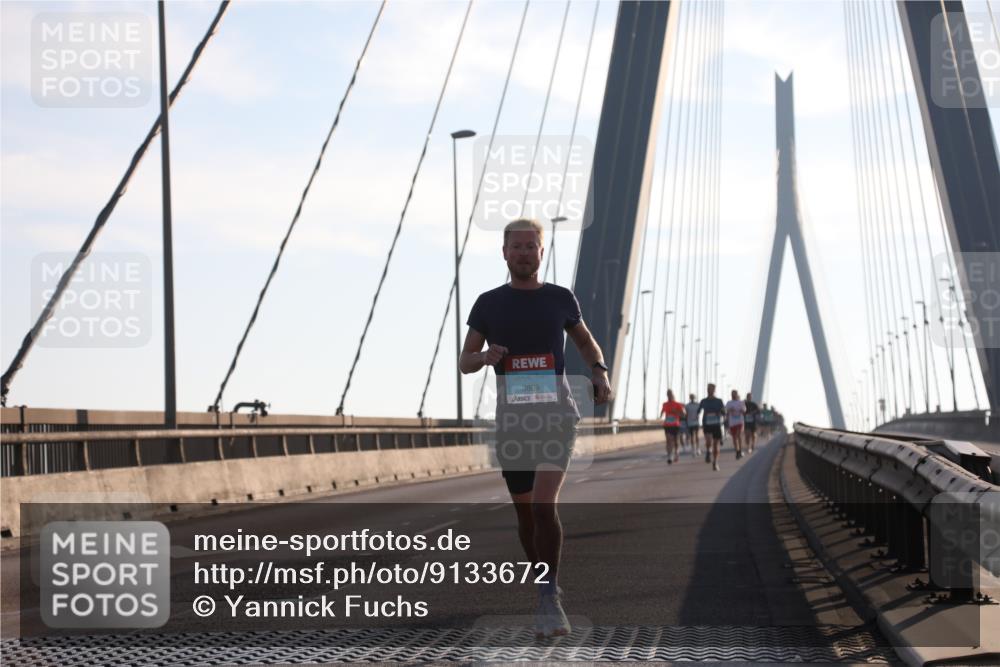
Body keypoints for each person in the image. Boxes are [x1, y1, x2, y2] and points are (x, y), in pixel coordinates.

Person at [461, 218, 612, 639]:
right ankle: (544, 582)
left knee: (545, 506)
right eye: (518, 247)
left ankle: (550, 597)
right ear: (504, 253)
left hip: (557, 417)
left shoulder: (560, 299)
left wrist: (599, 370)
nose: (525, 253)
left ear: (542, 253)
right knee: (525, 516)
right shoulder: (488, 304)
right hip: (514, 422)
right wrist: (486, 356)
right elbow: (464, 361)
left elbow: (585, 342)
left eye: (532, 247)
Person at [699, 384, 725, 471]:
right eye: (708, 389)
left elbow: (723, 411)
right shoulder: (703, 401)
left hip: (716, 424)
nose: (709, 390)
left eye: (711, 389)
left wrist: (721, 413)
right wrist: (695, 415)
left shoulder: (719, 401)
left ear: (714, 390)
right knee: (709, 441)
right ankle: (708, 451)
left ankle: (715, 462)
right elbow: (699, 410)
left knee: (716, 445)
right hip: (707, 423)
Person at [659, 389, 685, 464]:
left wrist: (676, 412)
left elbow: (683, 415)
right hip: (667, 424)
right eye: (668, 394)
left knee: (676, 442)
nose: (669, 395)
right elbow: (662, 412)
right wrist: (660, 416)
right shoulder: (665, 404)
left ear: (673, 394)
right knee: (668, 440)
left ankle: (676, 453)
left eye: (670, 394)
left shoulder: (677, 404)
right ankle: (669, 456)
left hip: (675, 424)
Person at [725, 389, 746, 459]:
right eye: (732, 394)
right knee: (734, 437)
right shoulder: (729, 403)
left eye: (735, 394)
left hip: (740, 421)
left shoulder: (741, 402)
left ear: (737, 394)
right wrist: (729, 410)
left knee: (739, 435)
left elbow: (744, 411)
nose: (733, 395)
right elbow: (726, 412)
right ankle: (737, 451)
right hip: (732, 422)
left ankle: (740, 450)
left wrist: (741, 410)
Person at [684, 393, 701, 458]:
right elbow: (686, 414)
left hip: (696, 422)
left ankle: (698, 448)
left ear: (695, 398)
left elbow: (699, 412)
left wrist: (698, 415)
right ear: (689, 398)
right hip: (690, 422)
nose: (692, 398)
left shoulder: (698, 404)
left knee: (696, 435)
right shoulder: (687, 405)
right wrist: (686, 422)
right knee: (692, 436)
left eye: (693, 397)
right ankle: (693, 450)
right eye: (691, 397)